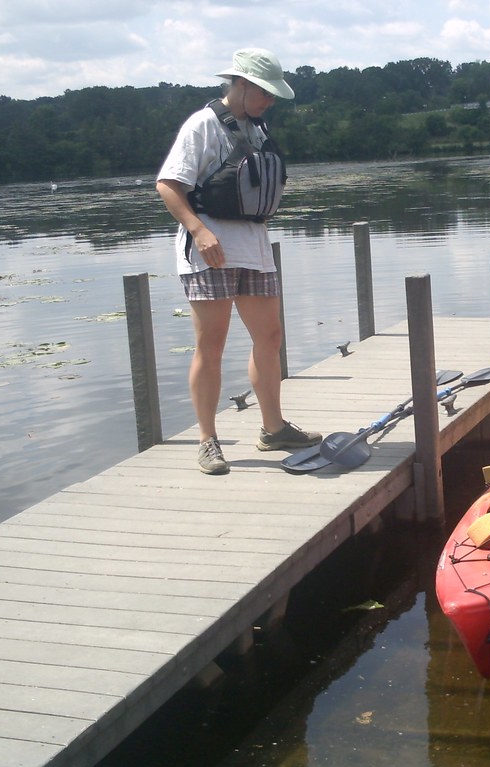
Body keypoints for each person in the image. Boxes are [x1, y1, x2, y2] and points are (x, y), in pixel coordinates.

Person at [156, 48, 320, 475]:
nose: (270, 101)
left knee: (270, 335)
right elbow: (168, 185)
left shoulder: (259, 127)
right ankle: (208, 441)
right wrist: (198, 230)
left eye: (272, 94)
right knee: (211, 344)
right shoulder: (202, 125)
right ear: (241, 84)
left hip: (254, 246)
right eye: (265, 92)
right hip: (210, 249)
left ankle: (273, 428)